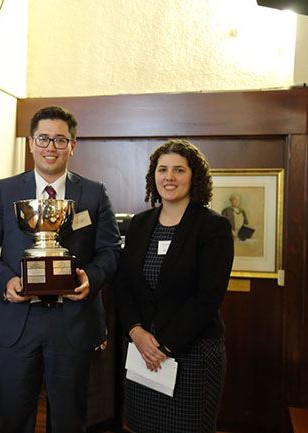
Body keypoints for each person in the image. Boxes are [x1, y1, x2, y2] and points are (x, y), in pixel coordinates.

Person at [0, 105, 120, 433]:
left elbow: (110, 251)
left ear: (73, 145)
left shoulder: (93, 194)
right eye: (43, 139)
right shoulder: (5, 190)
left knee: (69, 420)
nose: (51, 147)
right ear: (30, 143)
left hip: (72, 322)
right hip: (16, 322)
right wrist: (5, 280)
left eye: (60, 140)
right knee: (12, 418)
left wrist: (90, 279)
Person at [113, 139, 233, 433]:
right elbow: (123, 284)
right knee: (141, 426)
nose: (169, 177)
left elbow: (208, 298)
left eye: (179, 170)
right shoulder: (139, 224)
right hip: (142, 351)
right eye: (162, 169)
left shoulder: (212, 227)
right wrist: (136, 332)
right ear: (153, 176)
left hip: (192, 355)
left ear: (194, 177)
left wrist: (164, 345)